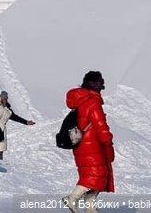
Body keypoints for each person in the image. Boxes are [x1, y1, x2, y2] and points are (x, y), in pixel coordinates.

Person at [62, 71, 114, 212]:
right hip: (92, 145)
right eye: (100, 82)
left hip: (82, 145)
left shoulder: (82, 101)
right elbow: (100, 125)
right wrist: (108, 141)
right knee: (95, 175)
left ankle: (90, 207)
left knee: (94, 175)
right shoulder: (92, 102)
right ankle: (71, 199)